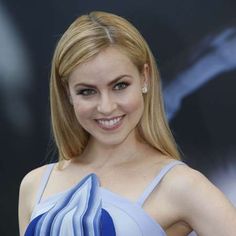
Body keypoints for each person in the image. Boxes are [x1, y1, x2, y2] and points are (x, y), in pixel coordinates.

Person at [18, 11, 236, 236]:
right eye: (87, 91)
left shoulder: (179, 185)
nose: (106, 106)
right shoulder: (35, 185)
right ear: (68, 93)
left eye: (120, 86)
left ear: (144, 78)